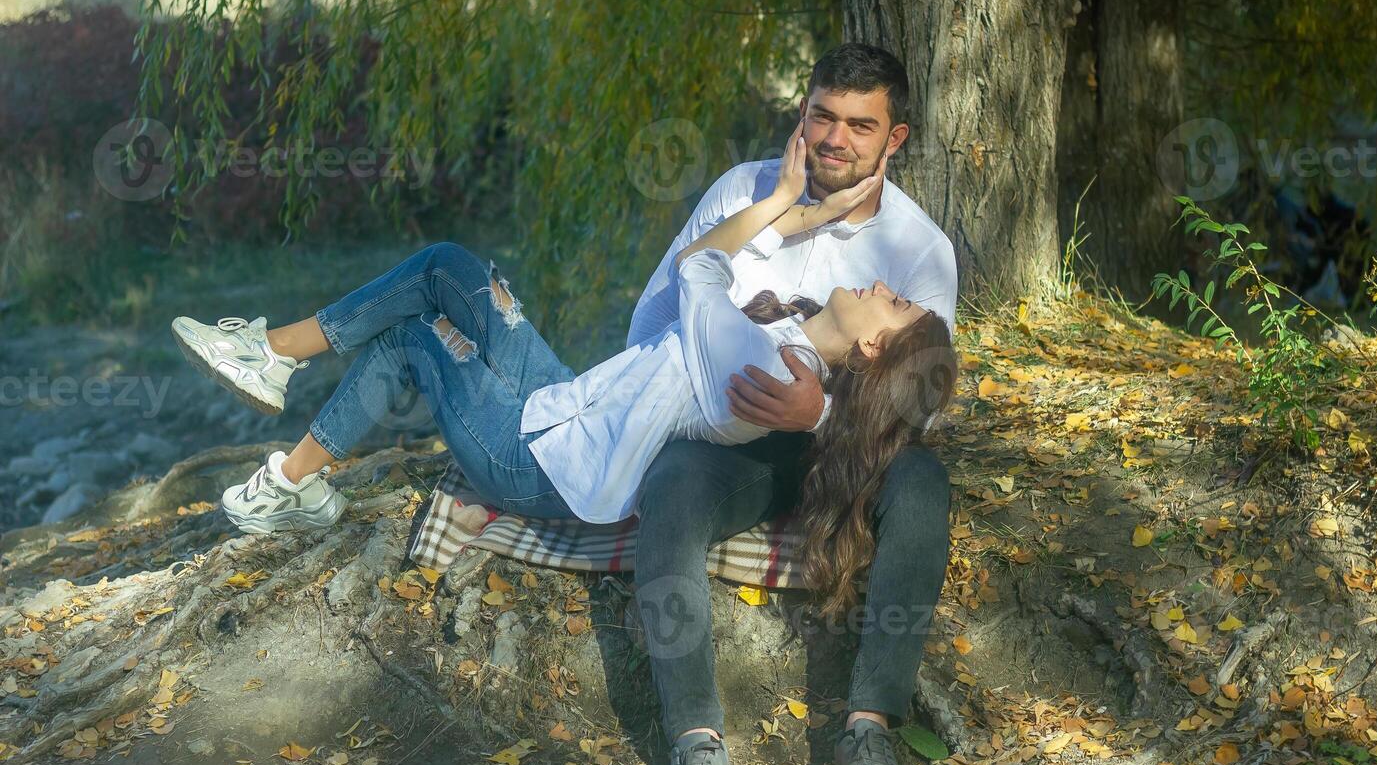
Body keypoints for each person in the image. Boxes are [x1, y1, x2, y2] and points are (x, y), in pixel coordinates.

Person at [169, 113, 954, 619]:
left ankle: (278, 420)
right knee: (446, 266)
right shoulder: (782, 339)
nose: (885, 286)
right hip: (569, 404)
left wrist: (788, 202)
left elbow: (697, 263)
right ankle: (275, 401)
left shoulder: (757, 357)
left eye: (893, 304)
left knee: (413, 337)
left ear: (875, 348)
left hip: (539, 469)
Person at [625, 43, 959, 765]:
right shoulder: (743, 193)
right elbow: (651, 322)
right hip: (732, 434)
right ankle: (696, 742)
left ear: (894, 139)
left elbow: (920, 410)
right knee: (670, 488)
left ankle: (871, 727)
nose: (835, 140)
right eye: (822, 117)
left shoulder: (919, 250)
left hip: (842, 448)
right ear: (802, 112)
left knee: (923, 486)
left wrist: (817, 414)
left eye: (859, 125)